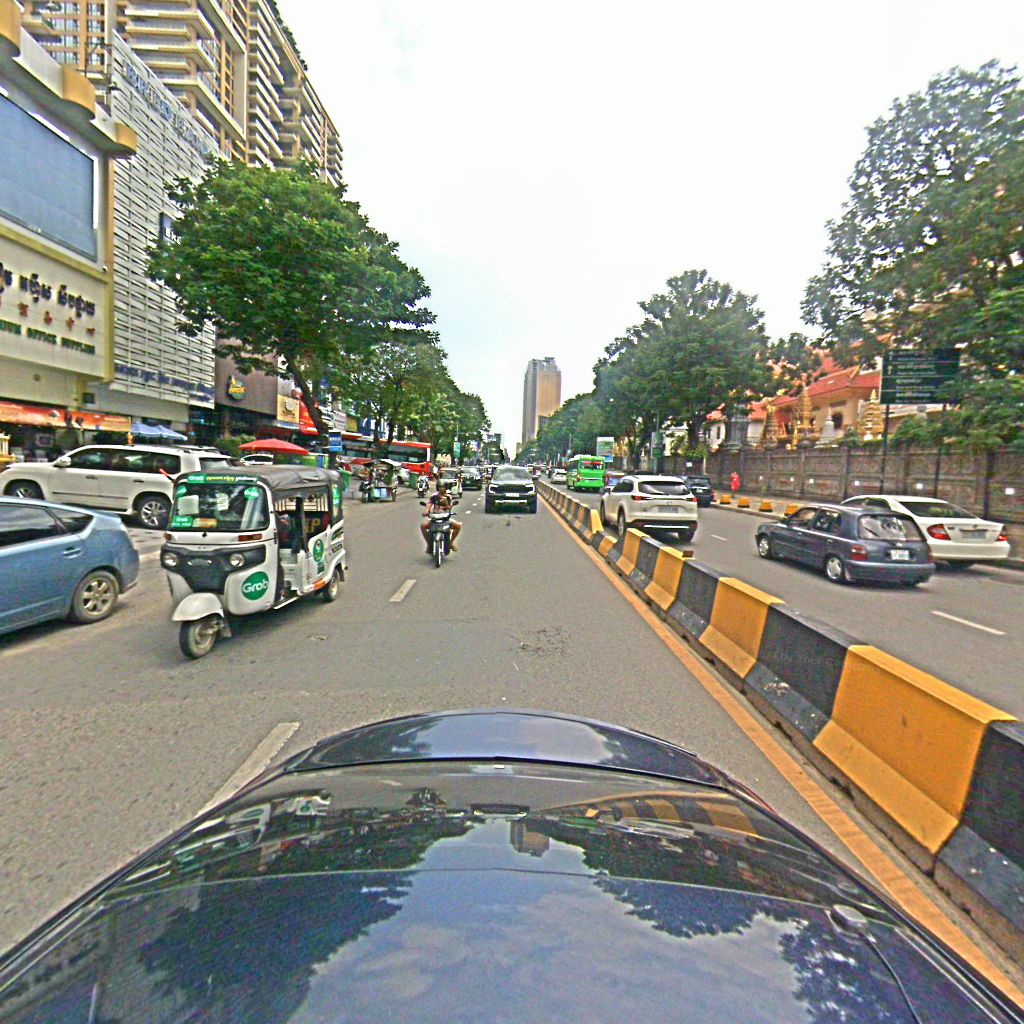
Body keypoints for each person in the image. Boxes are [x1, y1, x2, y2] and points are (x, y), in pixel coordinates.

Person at [421, 481, 461, 554]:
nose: (442, 489)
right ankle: (429, 544)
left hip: (445, 518)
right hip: (435, 518)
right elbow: (429, 505)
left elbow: (449, 507)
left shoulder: (448, 497)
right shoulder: (434, 497)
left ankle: (451, 542)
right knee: (423, 525)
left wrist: (446, 504)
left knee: (458, 525)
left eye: (443, 487)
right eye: (440, 487)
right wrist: (426, 511)